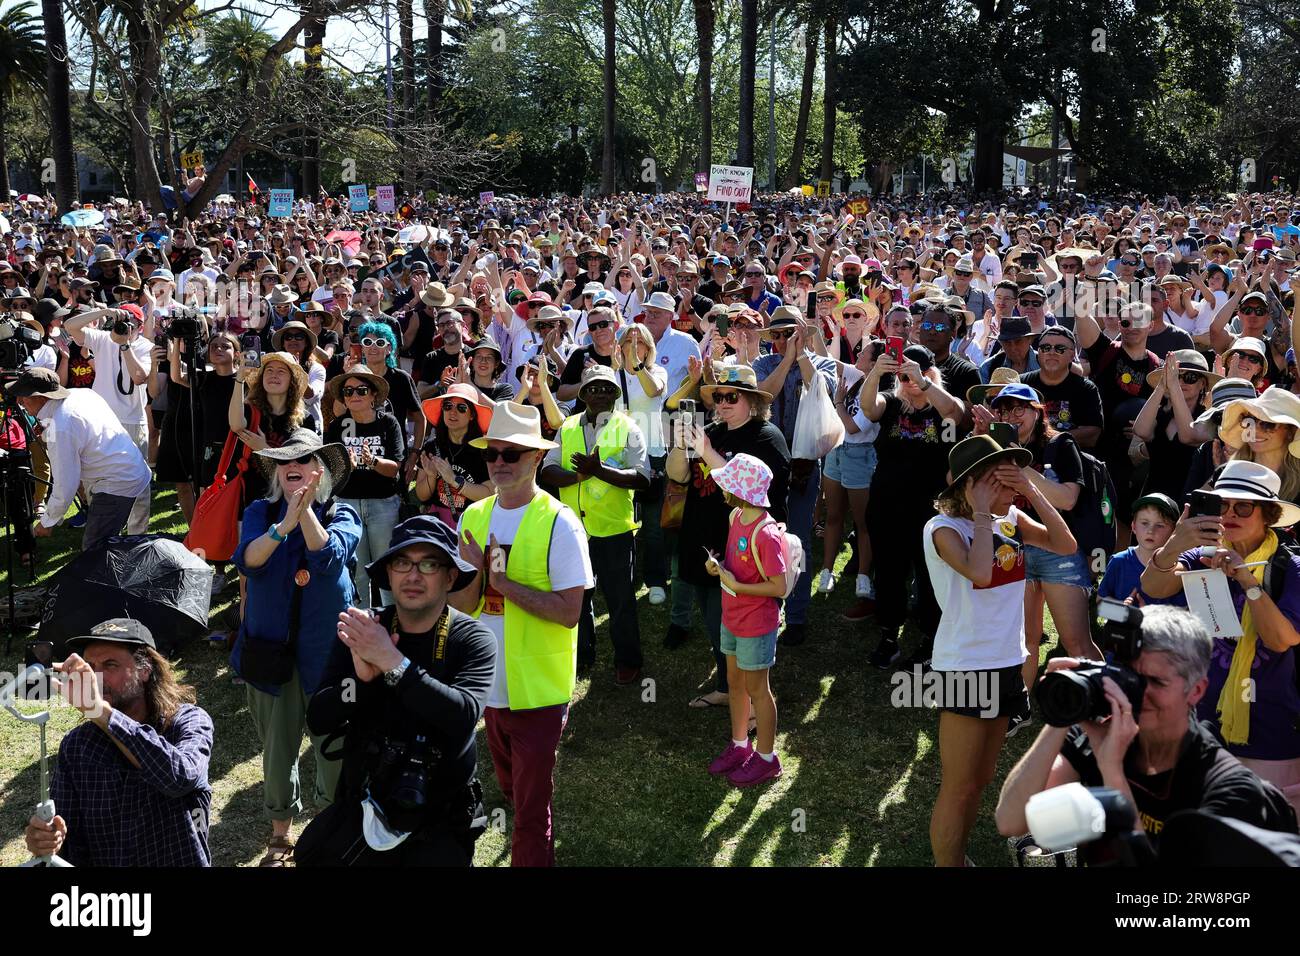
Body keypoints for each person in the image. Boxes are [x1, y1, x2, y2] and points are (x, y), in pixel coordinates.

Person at [996, 605, 1298, 846]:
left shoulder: (1228, 789)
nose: (1136, 692)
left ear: (1196, 690)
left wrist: (1112, 771)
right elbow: (1011, 821)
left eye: (1155, 681)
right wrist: (1062, 713)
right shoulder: (1102, 733)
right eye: (1126, 675)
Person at [297, 516, 496, 866]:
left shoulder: (472, 639)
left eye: (429, 564)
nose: (413, 575)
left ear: (450, 577)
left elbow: (462, 716)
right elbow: (319, 717)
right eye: (402, 563)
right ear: (388, 573)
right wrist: (360, 683)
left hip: (439, 819)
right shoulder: (364, 630)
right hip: (365, 805)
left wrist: (393, 663)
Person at [924, 434, 1077, 866]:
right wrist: (983, 511)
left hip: (1008, 662)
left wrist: (1030, 491)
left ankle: (957, 854)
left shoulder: (1008, 516)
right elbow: (981, 573)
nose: (1012, 487)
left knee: (982, 778)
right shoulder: (942, 529)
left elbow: (1065, 545)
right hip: (967, 667)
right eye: (1003, 479)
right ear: (974, 484)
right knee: (959, 783)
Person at [453, 402, 592, 866]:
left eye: (511, 454)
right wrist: (476, 576)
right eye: (493, 453)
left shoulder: (561, 523)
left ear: (536, 459)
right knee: (514, 793)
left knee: (531, 814)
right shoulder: (473, 517)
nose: (498, 463)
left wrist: (505, 583)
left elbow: (570, 612)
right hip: (488, 690)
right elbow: (462, 605)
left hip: (538, 693)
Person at [1140, 461, 1300, 814]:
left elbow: (1281, 639)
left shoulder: (1292, 567)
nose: (1230, 513)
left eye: (1244, 506)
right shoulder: (1201, 557)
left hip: (1273, 731)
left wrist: (1246, 579)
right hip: (1204, 724)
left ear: (1268, 514)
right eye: (1222, 504)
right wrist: (1174, 544)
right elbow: (1153, 585)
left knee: (1267, 838)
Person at [232, 430, 361, 866]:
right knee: (277, 748)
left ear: (318, 472)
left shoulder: (343, 512)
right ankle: (280, 836)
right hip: (270, 653)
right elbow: (248, 559)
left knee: (333, 747)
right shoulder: (258, 511)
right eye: (287, 460)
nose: (295, 465)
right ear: (277, 471)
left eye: (305, 460)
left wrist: (305, 516)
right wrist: (283, 524)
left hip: (329, 655)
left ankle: (330, 829)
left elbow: (329, 559)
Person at [23, 618, 213, 867]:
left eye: (110, 665)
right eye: (90, 666)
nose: (96, 677)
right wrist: (47, 841)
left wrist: (100, 711)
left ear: (144, 670)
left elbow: (178, 777)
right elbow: (67, 838)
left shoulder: (187, 721)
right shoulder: (77, 746)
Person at [666, 365, 790, 707]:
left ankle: (751, 697)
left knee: (743, 621)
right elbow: (676, 476)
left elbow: (745, 489)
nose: (721, 404)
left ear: (751, 401)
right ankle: (726, 685)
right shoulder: (711, 431)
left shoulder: (766, 437)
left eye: (730, 397)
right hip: (703, 537)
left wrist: (704, 450)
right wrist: (681, 446)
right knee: (713, 616)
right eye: (717, 397)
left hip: (745, 546)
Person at [542, 365, 651, 684]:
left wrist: (601, 470)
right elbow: (547, 472)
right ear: (583, 394)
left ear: (616, 395)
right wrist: (580, 475)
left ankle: (628, 660)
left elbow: (642, 478)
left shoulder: (629, 428)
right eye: (593, 388)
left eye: (607, 389)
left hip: (615, 531)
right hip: (574, 531)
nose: (600, 393)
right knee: (578, 597)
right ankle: (582, 655)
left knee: (620, 601)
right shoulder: (568, 427)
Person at [859, 345, 966, 668]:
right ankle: (889, 633)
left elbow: (956, 413)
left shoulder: (941, 407)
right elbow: (868, 408)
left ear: (931, 373)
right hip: (888, 502)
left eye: (915, 373)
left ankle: (933, 639)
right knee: (889, 570)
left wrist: (925, 383)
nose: (909, 381)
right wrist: (877, 373)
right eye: (904, 375)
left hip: (931, 507)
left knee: (931, 572)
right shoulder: (892, 405)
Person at [752, 307, 837, 645]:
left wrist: (801, 354)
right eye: (778, 334)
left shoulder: (821, 362)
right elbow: (761, 398)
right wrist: (787, 358)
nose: (783, 339)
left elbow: (822, 389)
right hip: (767, 463)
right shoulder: (764, 364)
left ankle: (797, 615)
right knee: (764, 536)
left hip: (803, 462)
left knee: (798, 539)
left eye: (790, 332)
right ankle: (768, 607)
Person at [704, 454, 787, 787]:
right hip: (732, 618)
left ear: (740, 490)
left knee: (758, 690)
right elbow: (737, 566)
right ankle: (740, 745)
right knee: (735, 683)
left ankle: (767, 758)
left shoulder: (765, 534)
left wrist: (736, 585)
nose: (722, 488)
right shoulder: (735, 516)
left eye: (728, 484)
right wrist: (719, 567)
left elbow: (778, 586)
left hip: (756, 624)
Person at [7, 367, 151, 550]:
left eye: (24, 396)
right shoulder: (81, 394)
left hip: (117, 482)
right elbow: (81, 430)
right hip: (129, 469)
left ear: (41, 397)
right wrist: (47, 431)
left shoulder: (61, 425)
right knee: (115, 547)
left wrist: (48, 521)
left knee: (94, 551)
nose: (19, 401)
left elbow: (65, 484)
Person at [62, 304, 154, 533]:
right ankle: (101, 533)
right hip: (101, 422)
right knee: (97, 478)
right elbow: (69, 326)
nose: (125, 324)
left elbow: (140, 377)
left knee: (139, 481)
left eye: (130, 321)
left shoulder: (145, 345)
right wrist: (104, 313)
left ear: (140, 327)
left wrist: (125, 345)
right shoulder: (102, 338)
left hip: (132, 421)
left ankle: (136, 537)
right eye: (122, 319)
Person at [323, 366, 406, 609]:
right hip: (347, 504)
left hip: (383, 504)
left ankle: (393, 623)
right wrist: (345, 466)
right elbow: (331, 473)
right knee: (356, 571)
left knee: (386, 569)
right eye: (348, 391)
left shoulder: (388, 423)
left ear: (373, 395)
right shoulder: (337, 426)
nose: (354, 395)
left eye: (361, 390)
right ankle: (361, 628)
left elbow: (395, 468)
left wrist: (373, 462)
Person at [1132, 350, 1214, 501]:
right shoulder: (1158, 413)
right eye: (1177, 376)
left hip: (1188, 500)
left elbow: (1188, 436)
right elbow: (1141, 431)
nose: (1181, 382)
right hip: (1153, 499)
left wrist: (1174, 384)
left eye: (1190, 377)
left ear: (1202, 384)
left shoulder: (1207, 418)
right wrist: (1162, 385)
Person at [417, 382, 495, 525]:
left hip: (472, 522)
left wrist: (453, 480)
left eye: (461, 408)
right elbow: (422, 496)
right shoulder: (431, 447)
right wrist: (431, 476)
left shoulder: (483, 450)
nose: (453, 412)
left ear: (472, 415)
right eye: (448, 407)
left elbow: (490, 494)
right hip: (438, 524)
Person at [1098, 492, 1179, 604]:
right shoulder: (1119, 561)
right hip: (1122, 621)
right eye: (1145, 523)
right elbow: (1100, 603)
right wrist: (1123, 612)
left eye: (1160, 525)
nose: (1151, 531)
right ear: (1134, 526)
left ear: (1173, 531)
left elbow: (1185, 611)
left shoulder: (1179, 568)